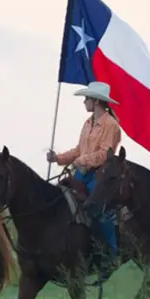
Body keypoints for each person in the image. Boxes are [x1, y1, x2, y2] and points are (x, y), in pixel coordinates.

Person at [46, 81, 123, 277]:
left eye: (87, 98)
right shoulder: (88, 123)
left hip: (100, 176)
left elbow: (106, 154)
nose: (84, 102)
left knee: (99, 209)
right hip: (81, 173)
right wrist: (59, 158)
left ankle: (110, 254)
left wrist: (83, 160)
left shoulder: (111, 125)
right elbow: (79, 149)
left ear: (96, 101)